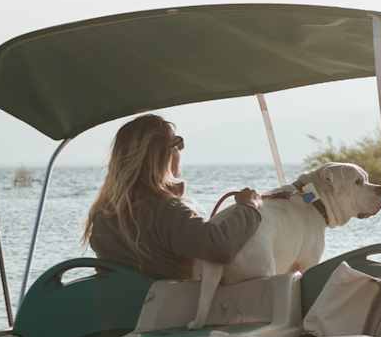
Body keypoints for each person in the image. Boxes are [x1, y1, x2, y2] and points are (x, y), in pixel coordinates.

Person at [81, 114, 262, 280]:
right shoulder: (165, 211)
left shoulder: (103, 215)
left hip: (123, 308)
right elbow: (219, 247)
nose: (179, 152)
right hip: (165, 310)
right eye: (176, 145)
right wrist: (249, 207)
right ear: (161, 157)